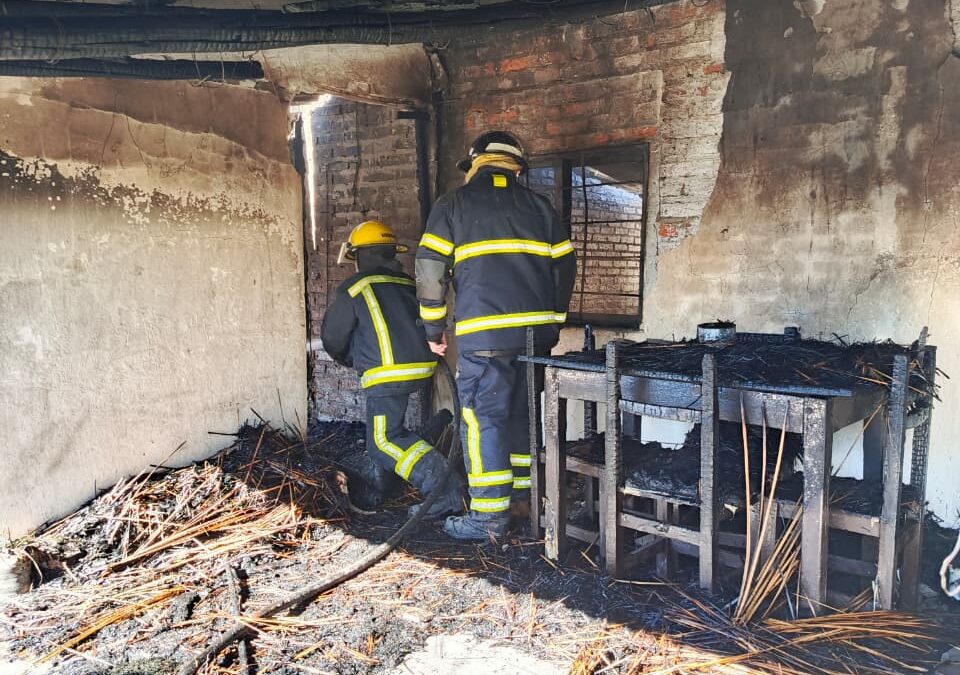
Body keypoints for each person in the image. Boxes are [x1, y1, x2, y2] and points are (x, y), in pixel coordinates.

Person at [416, 131, 577, 540]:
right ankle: (523, 500)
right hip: (535, 339)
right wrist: (553, 322)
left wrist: (434, 328)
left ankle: (488, 516)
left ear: (474, 165)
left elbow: (431, 267)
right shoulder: (541, 208)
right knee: (524, 416)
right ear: (517, 167)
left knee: (484, 419)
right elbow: (565, 268)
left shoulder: (454, 205)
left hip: (483, 337)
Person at [321, 220, 462, 518]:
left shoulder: (356, 287)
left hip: (387, 373)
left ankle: (445, 489)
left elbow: (333, 337)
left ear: (358, 255)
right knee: (392, 434)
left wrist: (348, 357)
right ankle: (387, 477)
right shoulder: (405, 283)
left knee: (383, 442)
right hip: (421, 366)